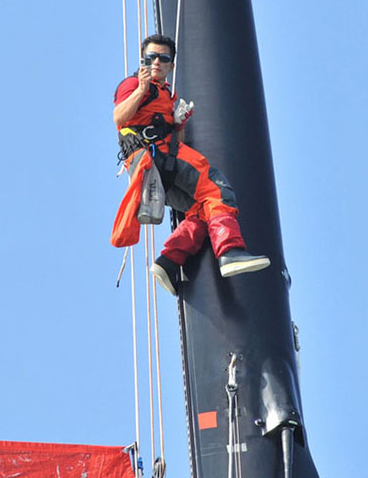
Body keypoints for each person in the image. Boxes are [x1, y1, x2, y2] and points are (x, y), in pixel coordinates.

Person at [112, 34, 270, 295]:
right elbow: (119, 117)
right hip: (153, 157)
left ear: (171, 65)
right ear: (142, 60)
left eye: (163, 58)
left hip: (163, 163)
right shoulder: (132, 84)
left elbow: (181, 141)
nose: (157, 62)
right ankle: (230, 250)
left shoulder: (168, 95)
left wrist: (179, 123)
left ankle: (168, 262)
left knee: (201, 210)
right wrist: (140, 89)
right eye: (151, 57)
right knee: (215, 189)